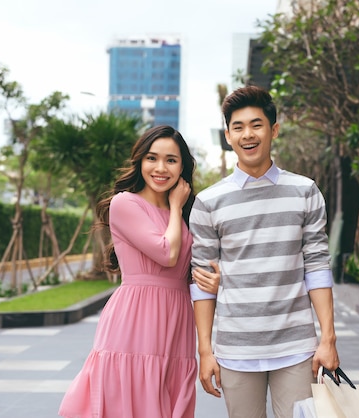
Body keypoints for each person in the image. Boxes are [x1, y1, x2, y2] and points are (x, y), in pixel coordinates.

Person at [189, 85, 340, 418]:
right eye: (238, 127)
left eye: (256, 125)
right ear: (227, 135)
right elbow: (201, 281)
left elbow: (316, 265)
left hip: (297, 347)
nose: (248, 134)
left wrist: (327, 338)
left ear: (273, 130)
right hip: (235, 348)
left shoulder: (305, 191)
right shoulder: (208, 202)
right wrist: (205, 351)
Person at [59, 125, 220, 418]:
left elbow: (193, 265)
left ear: (183, 165)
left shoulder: (188, 212)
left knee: (167, 394)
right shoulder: (125, 203)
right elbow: (167, 253)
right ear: (139, 161)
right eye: (152, 158)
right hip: (135, 319)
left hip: (176, 319)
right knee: (130, 395)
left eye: (171, 160)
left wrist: (215, 277)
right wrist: (174, 207)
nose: (161, 168)